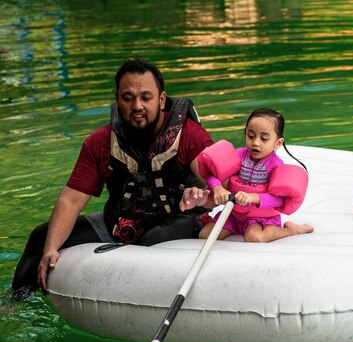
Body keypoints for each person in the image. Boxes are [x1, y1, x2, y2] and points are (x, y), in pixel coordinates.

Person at [12, 56, 214, 295]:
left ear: (161, 100)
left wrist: (201, 193)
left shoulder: (190, 135)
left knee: (155, 239)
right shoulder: (100, 142)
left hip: (176, 223)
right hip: (118, 224)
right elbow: (71, 200)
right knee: (40, 237)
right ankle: (13, 307)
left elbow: (218, 183)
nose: (137, 106)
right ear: (118, 100)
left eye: (145, 98)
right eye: (128, 98)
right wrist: (51, 248)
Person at [180, 108, 313, 242]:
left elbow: (279, 200)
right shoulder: (239, 155)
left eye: (264, 138)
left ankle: (290, 230)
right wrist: (218, 188)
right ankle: (236, 228)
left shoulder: (276, 165)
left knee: (254, 237)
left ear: (277, 143)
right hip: (234, 214)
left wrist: (253, 197)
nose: (255, 142)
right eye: (250, 136)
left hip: (260, 218)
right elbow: (211, 172)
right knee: (205, 235)